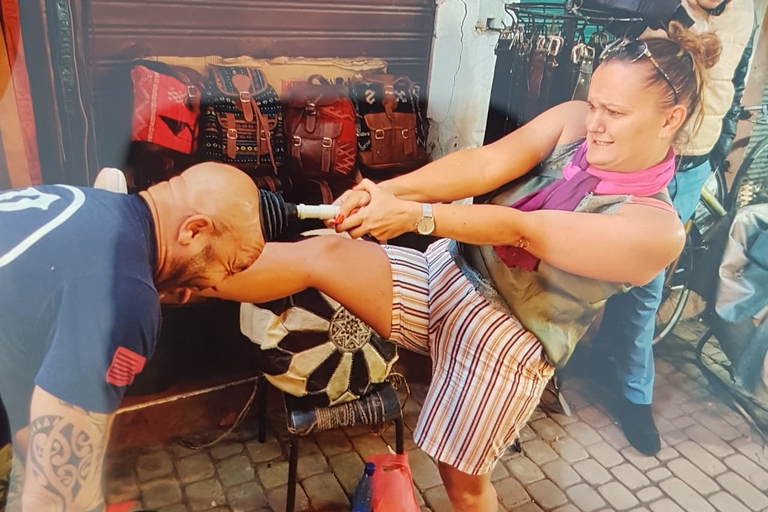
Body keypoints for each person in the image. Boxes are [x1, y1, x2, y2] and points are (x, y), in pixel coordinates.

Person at [205, 25, 721, 512]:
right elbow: (487, 163)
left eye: (615, 112)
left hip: (505, 341)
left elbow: (524, 232)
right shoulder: (572, 121)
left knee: (462, 484)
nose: (595, 123)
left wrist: (417, 216)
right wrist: (388, 191)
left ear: (670, 119)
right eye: (595, 103)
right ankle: (182, 271)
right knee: (322, 252)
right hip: (449, 273)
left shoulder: (656, 229)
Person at [0, 162, 265, 512]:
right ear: (194, 231)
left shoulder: (87, 205)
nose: (216, 284)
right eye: (228, 267)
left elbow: (31, 422)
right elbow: (54, 497)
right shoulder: (123, 297)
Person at [590, 0, 754, 456]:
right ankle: (601, 361)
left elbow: (735, 85)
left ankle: (633, 393)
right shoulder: (657, 6)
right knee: (610, 264)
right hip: (642, 158)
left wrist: (715, 151)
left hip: (693, 166)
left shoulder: (748, 14)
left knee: (648, 282)